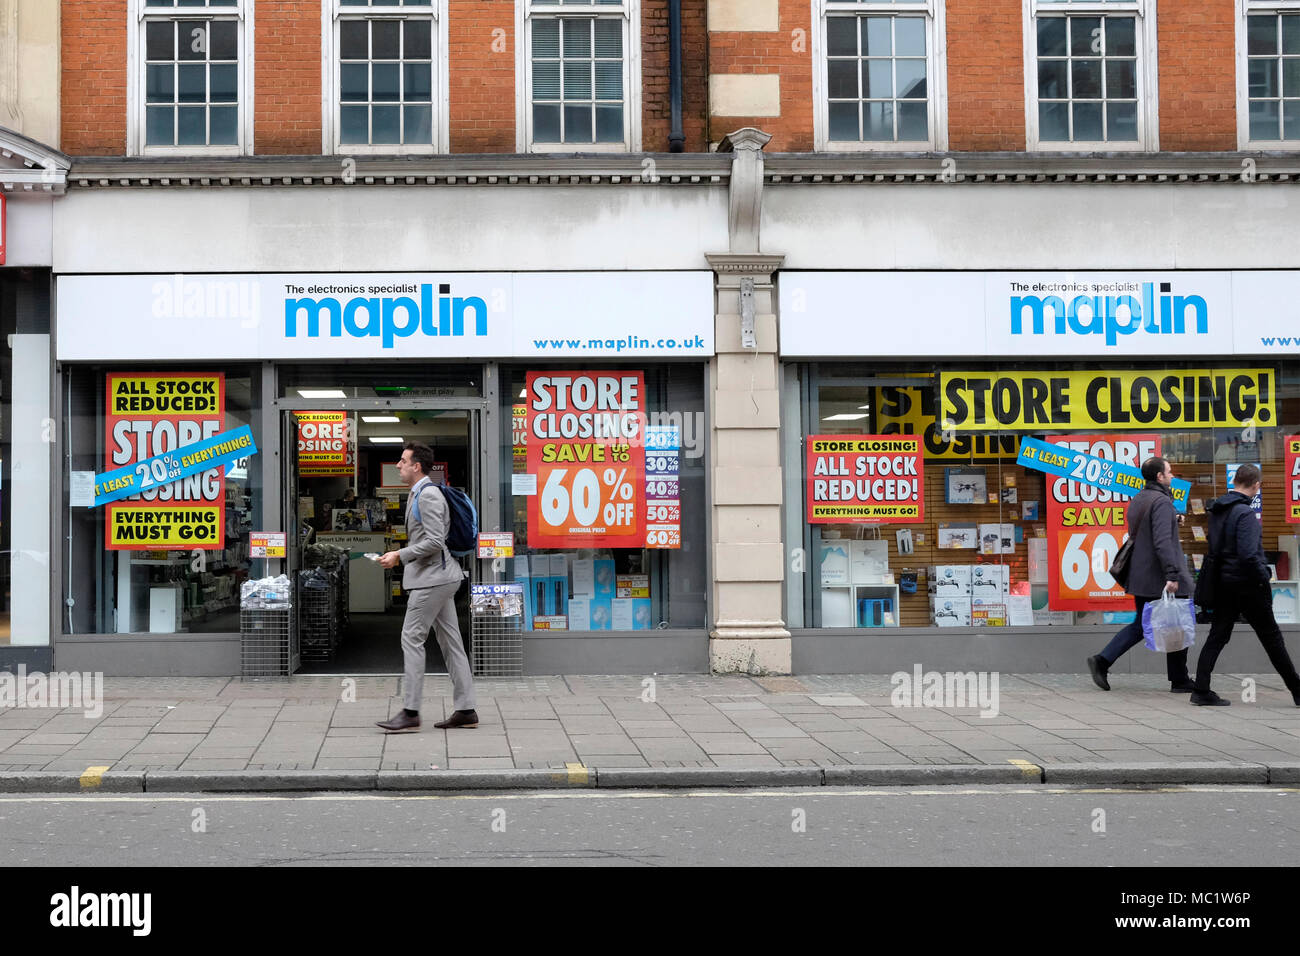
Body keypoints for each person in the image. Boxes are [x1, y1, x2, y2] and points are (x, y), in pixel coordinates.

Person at [376, 442, 478, 732]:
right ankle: (466, 710)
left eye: (403, 460)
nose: (398, 465)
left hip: (433, 579)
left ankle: (410, 711)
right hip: (439, 577)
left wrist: (400, 555)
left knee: (411, 638)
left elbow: (435, 541)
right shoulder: (419, 493)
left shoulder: (428, 495)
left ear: (416, 466)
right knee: (451, 644)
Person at [1192, 463, 1300, 707]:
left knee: (1217, 636)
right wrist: (1264, 577)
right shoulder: (1245, 514)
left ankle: (1200, 688)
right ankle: (1297, 689)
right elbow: (1249, 555)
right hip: (1247, 586)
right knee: (1272, 639)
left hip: (1223, 584)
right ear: (1256, 485)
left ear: (1235, 481)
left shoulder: (1217, 510)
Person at [1087, 456, 1196, 693]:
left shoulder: (1140, 498)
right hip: (1159, 576)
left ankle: (1104, 660)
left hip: (1141, 573)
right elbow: (1162, 541)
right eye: (1169, 471)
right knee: (1174, 622)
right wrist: (1172, 574)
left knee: (1143, 624)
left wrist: (1173, 519)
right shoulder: (1163, 502)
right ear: (1160, 476)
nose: (1172, 475)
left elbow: (1146, 530)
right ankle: (1178, 679)